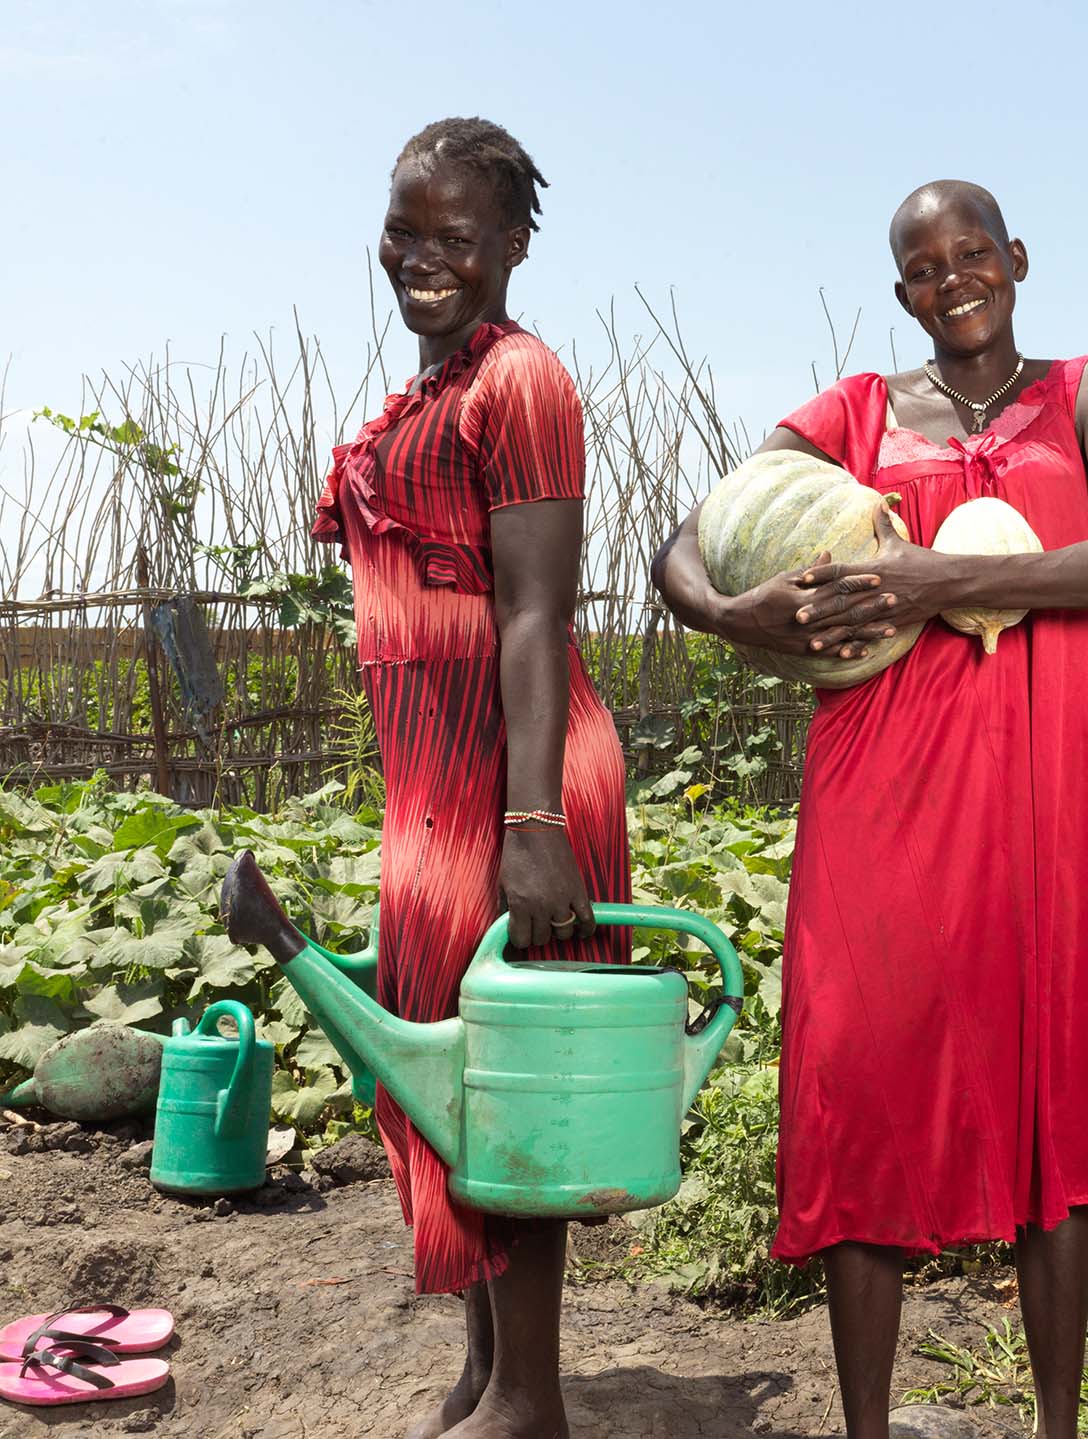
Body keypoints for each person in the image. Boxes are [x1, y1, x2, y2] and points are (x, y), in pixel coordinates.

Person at [651, 180, 1088, 1439]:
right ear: (902, 291)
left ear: (1016, 258)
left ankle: (1057, 1424)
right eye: (924, 266)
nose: (954, 278)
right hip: (882, 792)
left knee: (1051, 1088)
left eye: (973, 253)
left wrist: (952, 571)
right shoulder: (855, 416)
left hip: (1045, 794)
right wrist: (734, 613)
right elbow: (685, 543)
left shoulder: (1085, 391)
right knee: (870, 1081)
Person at [311, 117, 631, 1439]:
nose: (424, 256)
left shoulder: (523, 384)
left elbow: (533, 616)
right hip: (433, 787)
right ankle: (487, 1364)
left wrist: (538, 814)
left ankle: (532, 1394)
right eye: (406, 230)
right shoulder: (434, 390)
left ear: (510, 244)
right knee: (443, 1075)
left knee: (515, 1081)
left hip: (517, 776)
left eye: (457, 235)